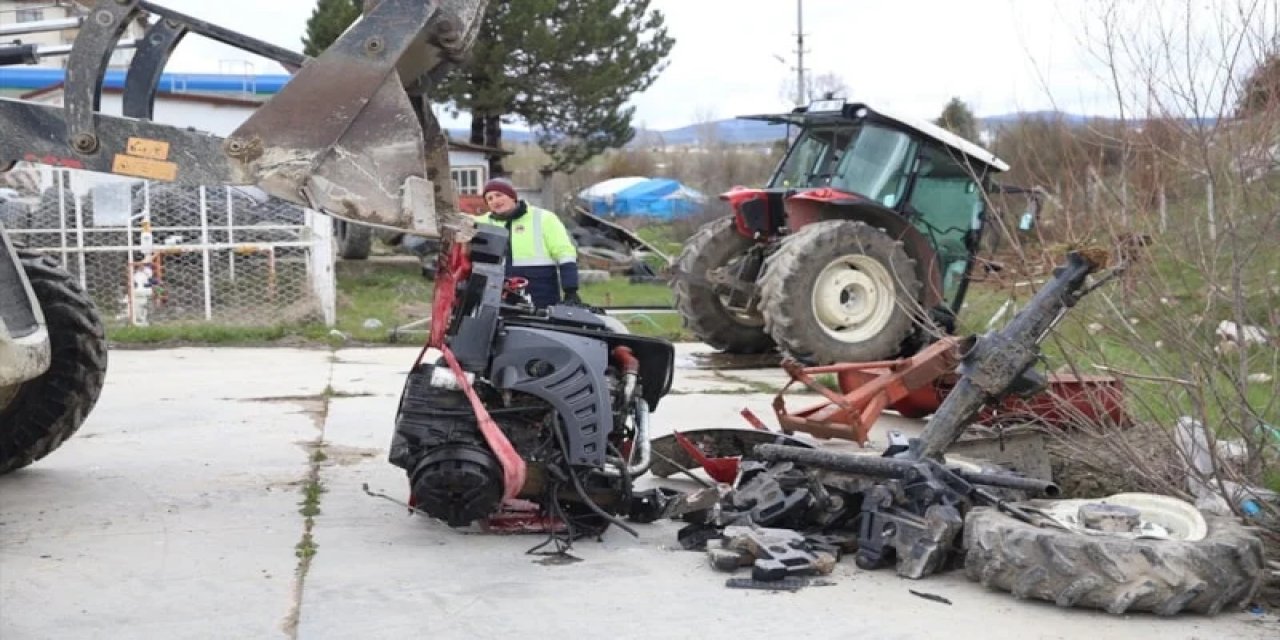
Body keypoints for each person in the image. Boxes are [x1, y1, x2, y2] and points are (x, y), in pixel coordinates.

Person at [474, 177, 582, 309]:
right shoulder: (482, 222)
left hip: (541, 291)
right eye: (489, 199)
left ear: (512, 196)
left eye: (499, 195)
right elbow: (458, 220)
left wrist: (570, 289)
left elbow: (564, 253)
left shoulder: (544, 218)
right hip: (497, 292)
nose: (495, 201)